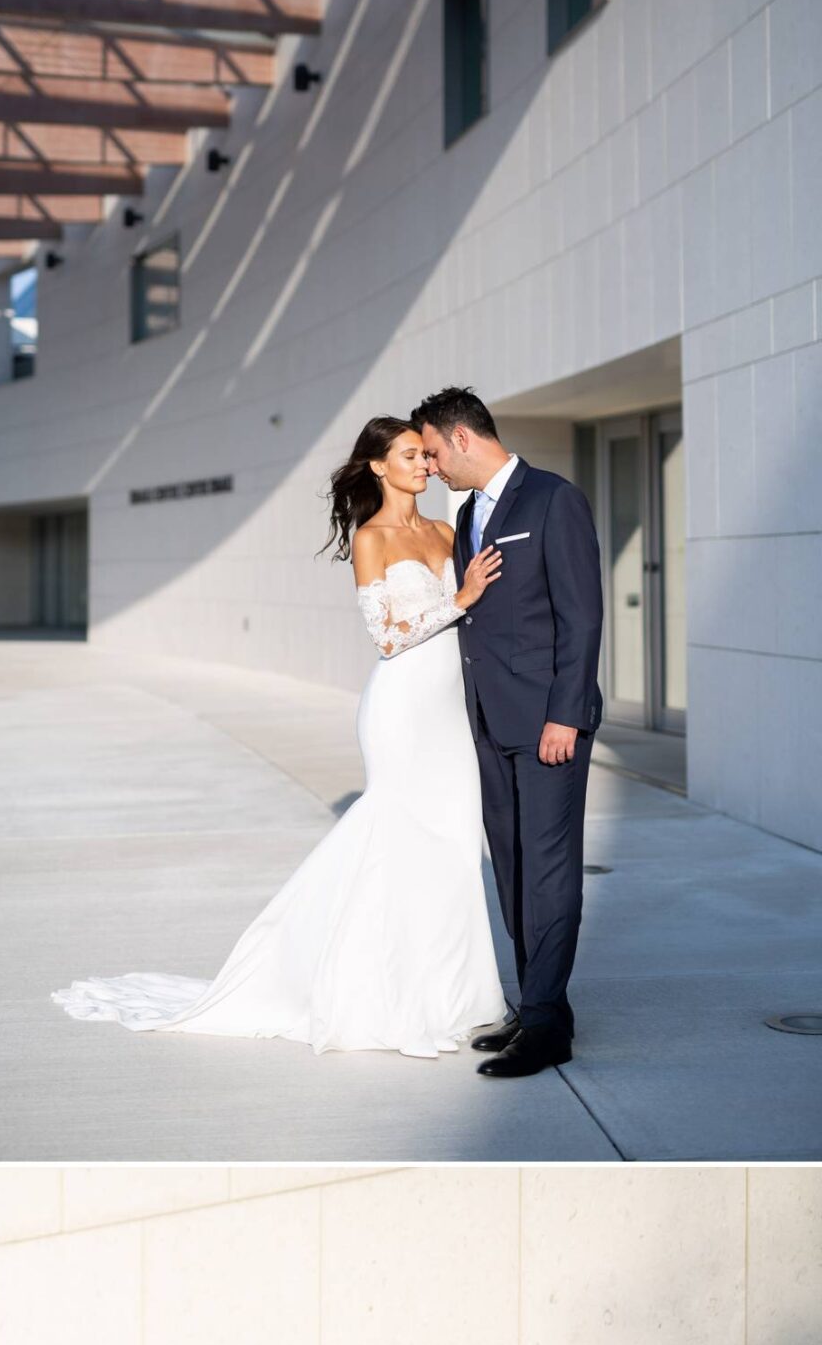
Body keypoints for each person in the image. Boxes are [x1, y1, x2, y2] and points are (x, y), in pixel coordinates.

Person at [52, 415, 507, 1057]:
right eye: (411, 455)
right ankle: (375, 994)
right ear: (379, 466)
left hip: (450, 713)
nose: (425, 465)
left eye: (426, 457)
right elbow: (386, 636)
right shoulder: (372, 537)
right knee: (397, 839)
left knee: (455, 847)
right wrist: (460, 598)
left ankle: (456, 996)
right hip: (401, 711)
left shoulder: (445, 530)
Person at [410, 386, 603, 1079]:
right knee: (516, 870)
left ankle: (548, 1028)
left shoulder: (554, 500)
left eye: (432, 451)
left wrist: (566, 713)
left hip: (547, 723)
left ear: (463, 438)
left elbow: (582, 619)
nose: (430, 466)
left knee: (549, 873)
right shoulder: (467, 518)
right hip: (489, 725)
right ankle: (541, 1004)